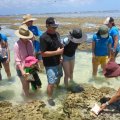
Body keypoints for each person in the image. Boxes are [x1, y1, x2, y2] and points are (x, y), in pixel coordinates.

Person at [40, 17, 64, 106]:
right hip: (50, 64)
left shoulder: (57, 34)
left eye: (56, 26)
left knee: (60, 76)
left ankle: (57, 88)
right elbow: (43, 53)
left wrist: (61, 55)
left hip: (58, 61)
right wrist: (57, 52)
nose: (55, 28)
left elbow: (60, 45)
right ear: (47, 26)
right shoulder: (43, 37)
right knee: (51, 82)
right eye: (53, 27)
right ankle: (49, 98)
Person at [14, 24, 34, 96]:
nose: (26, 38)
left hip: (29, 67)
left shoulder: (30, 42)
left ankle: (24, 95)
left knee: (29, 82)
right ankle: (27, 100)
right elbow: (17, 60)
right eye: (24, 37)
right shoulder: (17, 45)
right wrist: (22, 71)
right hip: (21, 68)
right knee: (25, 84)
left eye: (27, 37)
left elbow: (32, 55)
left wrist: (35, 65)